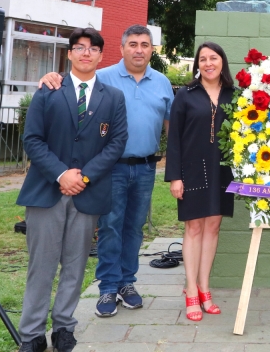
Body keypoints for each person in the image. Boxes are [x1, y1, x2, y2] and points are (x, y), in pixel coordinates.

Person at [39, 25, 175, 318]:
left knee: (134, 227)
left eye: (145, 45)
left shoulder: (163, 83)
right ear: (122, 48)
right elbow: (75, 84)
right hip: (109, 167)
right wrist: (52, 77)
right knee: (110, 227)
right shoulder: (103, 77)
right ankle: (108, 288)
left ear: (152, 50)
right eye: (133, 44)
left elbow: (171, 127)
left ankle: (127, 283)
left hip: (146, 167)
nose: (139, 50)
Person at [16, 28, 128, 352]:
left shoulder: (113, 97)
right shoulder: (48, 91)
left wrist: (84, 176)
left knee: (75, 266)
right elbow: (32, 140)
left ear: (101, 56)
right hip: (46, 192)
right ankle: (32, 334)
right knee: (42, 266)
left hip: (87, 194)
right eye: (79, 48)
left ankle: (64, 327)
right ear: (69, 53)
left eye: (92, 49)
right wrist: (62, 174)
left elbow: (117, 142)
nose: (85, 53)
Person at [165, 42, 235, 321]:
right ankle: (191, 290)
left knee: (213, 226)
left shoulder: (233, 94)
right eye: (203, 59)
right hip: (192, 169)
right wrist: (175, 177)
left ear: (222, 62)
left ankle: (205, 288)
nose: (208, 63)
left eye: (213, 58)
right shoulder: (186, 94)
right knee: (194, 227)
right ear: (197, 65)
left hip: (222, 169)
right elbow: (174, 139)